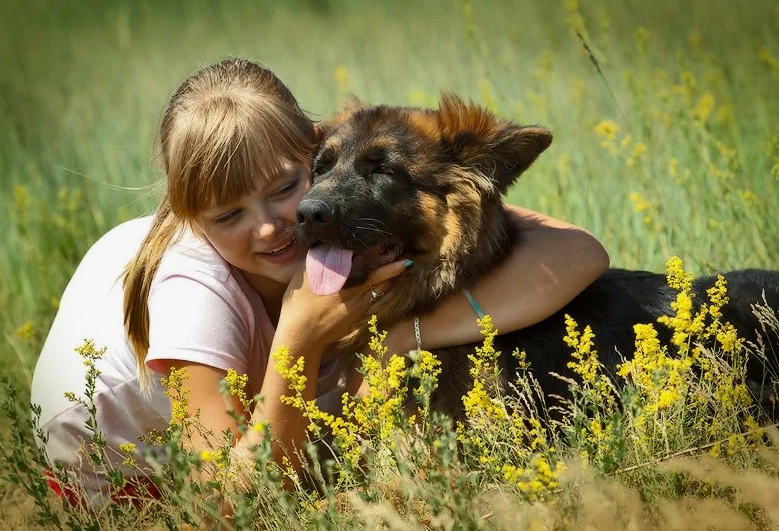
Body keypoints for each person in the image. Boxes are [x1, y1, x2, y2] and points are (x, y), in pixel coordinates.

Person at [30, 57, 610, 504]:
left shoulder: (325, 181)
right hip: (123, 484)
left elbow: (578, 252)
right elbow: (220, 508)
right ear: (191, 215)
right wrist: (300, 342)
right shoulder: (192, 291)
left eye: (287, 188)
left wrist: (399, 339)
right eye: (228, 215)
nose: (272, 225)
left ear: (313, 143)